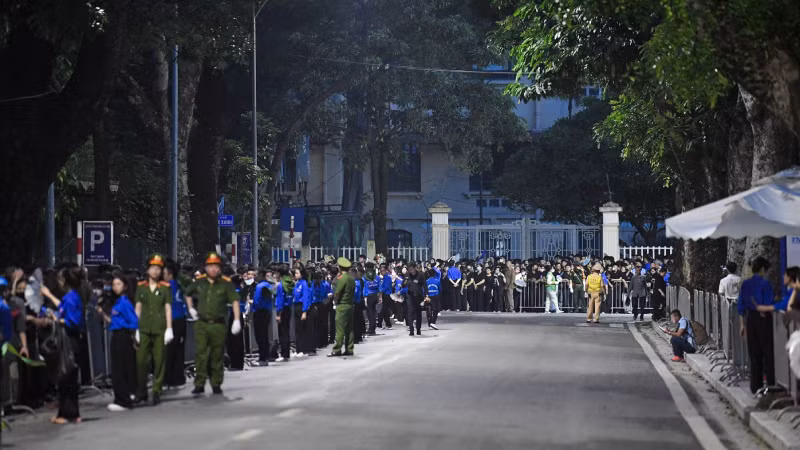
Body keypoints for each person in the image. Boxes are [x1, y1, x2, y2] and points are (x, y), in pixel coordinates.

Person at [185, 252, 242, 395]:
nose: (213, 269)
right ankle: (199, 383)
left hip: (218, 324)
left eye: (216, 266)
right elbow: (187, 293)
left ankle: (216, 383)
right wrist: (191, 308)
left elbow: (235, 301)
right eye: (210, 266)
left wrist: (236, 320)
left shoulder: (226, 283)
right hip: (202, 323)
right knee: (201, 355)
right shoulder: (199, 282)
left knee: (217, 354)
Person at [40, 266, 85, 424]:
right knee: (69, 377)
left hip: (69, 340)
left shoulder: (71, 298)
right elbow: (62, 307)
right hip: (73, 340)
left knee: (65, 376)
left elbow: (72, 321)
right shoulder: (72, 296)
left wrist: (57, 319)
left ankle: (67, 414)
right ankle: (70, 413)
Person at [133, 254, 173, 405]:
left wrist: (169, 328)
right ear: (148, 270)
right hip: (143, 329)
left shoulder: (165, 288)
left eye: (158, 269)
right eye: (153, 268)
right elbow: (138, 308)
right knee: (141, 361)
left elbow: (167, 308)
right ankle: (141, 391)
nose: (155, 271)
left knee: (159, 360)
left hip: (159, 329)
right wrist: (135, 328)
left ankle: (156, 390)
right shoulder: (141, 287)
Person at [96, 273, 138, 411]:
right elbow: (113, 322)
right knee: (117, 369)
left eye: (118, 284)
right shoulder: (118, 302)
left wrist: (132, 335)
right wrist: (102, 313)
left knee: (120, 369)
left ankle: (124, 401)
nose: (115, 287)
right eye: (114, 284)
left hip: (123, 337)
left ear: (125, 286)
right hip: (116, 335)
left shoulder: (125, 303)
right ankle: (120, 398)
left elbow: (133, 322)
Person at [738, 256, 775, 394]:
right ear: (763, 269)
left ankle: (755, 386)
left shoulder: (745, 284)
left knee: (754, 354)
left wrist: (743, 325)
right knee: (767, 352)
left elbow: (741, 305)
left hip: (750, 320)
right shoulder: (765, 284)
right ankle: (770, 384)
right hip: (763, 319)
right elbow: (768, 302)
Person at [163, 261, 187, 389]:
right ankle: (177, 378)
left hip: (171, 320)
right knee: (178, 350)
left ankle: (171, 378)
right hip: (180, 319)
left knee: (169, 351)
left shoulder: (168, 285)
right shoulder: (179, 283)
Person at [329, 258, 356, 357]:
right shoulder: (351, 279)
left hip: (342, 305)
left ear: (340, 268)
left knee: (340, 329)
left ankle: (337, 349)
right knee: (349, 329)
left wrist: (335, 302)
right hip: (350, 305)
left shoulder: (342, 279)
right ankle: (349, 348)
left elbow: (337, 293)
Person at [251, 270, 274, 366]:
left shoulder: (259, 286)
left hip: (259, 312)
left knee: (260, 336)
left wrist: (252, 304)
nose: (254, 277)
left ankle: (262, 358)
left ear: (261, 275)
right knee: (265, 335)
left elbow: (256, 301)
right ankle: (265, 357)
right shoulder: (269, 285)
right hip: (267, 312)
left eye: (255, 275)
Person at [403, 262, 428, 336]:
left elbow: (424, 285)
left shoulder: (421, 275)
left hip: (419, 296)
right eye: (409, 269)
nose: (411, 271)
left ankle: (418, 329)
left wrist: (426, 294)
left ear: (415, 268)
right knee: (410, 313)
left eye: (412, 269)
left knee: (418, 313)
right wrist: (405, 281)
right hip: (410, 296)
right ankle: (411, 329)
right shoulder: (407, 275)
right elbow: (403, 284)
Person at [293, 267, 313, 357]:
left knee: (302, 329)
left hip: (301, 307)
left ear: (301, 274)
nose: (295, 275)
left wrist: (304, 311)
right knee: (297, 329)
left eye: (297, 273)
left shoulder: (304, 284)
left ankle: (303, 349)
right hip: (296, 306)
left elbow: (305, 298)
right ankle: (298, 350)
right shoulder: (297, 283)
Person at [274, 267, 292, 362]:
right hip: (288, 308)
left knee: (282, 332)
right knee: (286, 332)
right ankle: (287, 354)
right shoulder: (289, 284)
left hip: (282, 310)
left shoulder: (281, 285)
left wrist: (278, 314)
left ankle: (284, 354)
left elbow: (280, 301)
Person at [364, 262, 380, 336]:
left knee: (369, 313)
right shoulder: (376, 277)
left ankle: (371, 329)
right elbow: (380, 287)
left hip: (368, 296)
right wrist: (380, 297)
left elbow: (365, 288)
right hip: (375, 295)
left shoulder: (365, 277)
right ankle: (373, 329)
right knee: (374, 312)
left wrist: (365, 297)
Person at [377, 264, 393, 330]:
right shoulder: (383, 277)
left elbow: (385, 287)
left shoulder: (387, 277)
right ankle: (387, 324)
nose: (381, 271)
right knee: (385, 310)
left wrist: (380, 292)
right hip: (384, 294)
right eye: (380, 270)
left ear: (386, 270)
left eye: (383, 270)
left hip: (386, 294)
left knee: (383, 309)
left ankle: (380, 323)